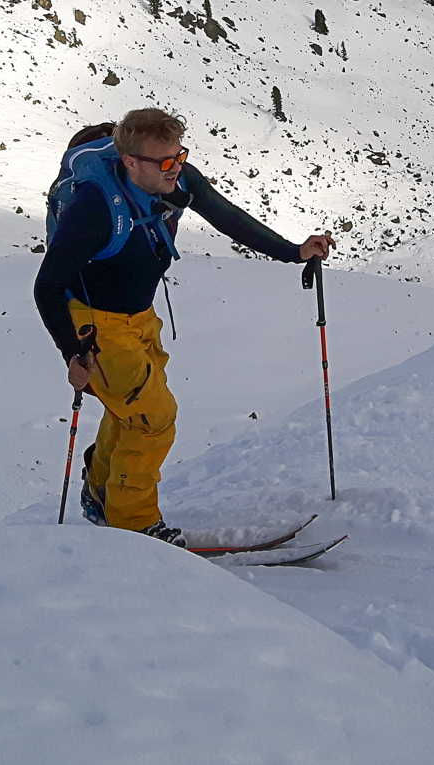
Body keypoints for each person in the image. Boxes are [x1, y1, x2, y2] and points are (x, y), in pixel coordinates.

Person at [35, 107, 332, 544]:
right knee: (155, 418)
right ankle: (132, 522)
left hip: (140, 316)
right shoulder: (94, 207)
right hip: (96, 323)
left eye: (180, 156)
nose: (178, 168)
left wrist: (292, 251)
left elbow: (225, 215)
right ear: (131, 161)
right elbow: (47, 285)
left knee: (132, 410)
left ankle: (101, 493)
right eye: (166, 161)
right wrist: (73, 353)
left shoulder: (175, 177)